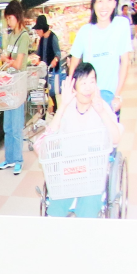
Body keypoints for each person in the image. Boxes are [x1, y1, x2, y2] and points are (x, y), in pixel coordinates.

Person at [36, 62, 121, 217]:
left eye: (92, 81)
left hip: (93, 173)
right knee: (54, 213)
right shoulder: (67, 108)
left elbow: (115, 140)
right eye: (83, 82)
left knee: (86, 213)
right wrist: (62, 105)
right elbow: (44, 144)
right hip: (68, 171)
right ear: (74, 87)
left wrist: (101, 112)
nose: (89, 87)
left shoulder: (101, 106)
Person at [67, 0, 134, 114]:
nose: (104, 6)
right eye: (100, 0)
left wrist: (118, 95)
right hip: (87, 96)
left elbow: (125, 63)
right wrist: (73, 91)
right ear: (94, 3)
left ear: (115, 3)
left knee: (111, 134)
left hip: (110, 98)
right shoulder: (85, 31)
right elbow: (73, 64)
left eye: (110, 0)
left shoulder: (121, 25)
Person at [0, 1, 34, 173]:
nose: (8, 22)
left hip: (17, 84)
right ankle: (9, 158)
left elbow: (18, 64)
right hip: (8, 84)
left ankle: (18, 159)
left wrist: (5, 59)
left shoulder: (23, 36)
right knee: (8, 126)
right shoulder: (11, 36)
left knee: (16, 125)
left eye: (10, 18)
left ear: (17, 16)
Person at [33, 15, 62, 112]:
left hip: (51, 70)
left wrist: (55, 60)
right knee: (44, 90)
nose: (36, 32)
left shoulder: (53, 37)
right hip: (43, 70)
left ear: (42, 29)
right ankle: (45, 113)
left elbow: (58, 53)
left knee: (51, 91)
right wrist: (36, 59)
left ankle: (54, 110)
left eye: (37, 30)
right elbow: (39, 53)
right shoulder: (41, 39)